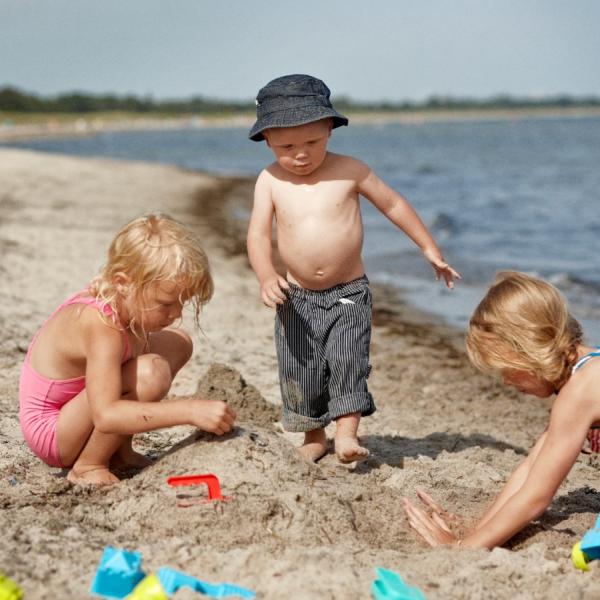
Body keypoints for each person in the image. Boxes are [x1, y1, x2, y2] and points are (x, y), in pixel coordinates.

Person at [246, 74, 459, 463]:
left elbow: (393, 204)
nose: (300, 154)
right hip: (296, 297)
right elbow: (259, 235)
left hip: (348, 293)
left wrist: (429, 248)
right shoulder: (270, 180)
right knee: (301, 366)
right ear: (267, 140)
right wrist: (265, 275)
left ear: (329, 129)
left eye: (311, 142)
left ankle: (346, 433)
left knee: (347, 358)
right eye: (286, 146)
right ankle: (313, 435)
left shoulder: (350, 170)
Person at [19, 213, 236, 486]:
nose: (177, 313)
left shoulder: (123, 303)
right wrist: (189, 410)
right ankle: (88, 465)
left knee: (177, 342)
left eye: (183, 303)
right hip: (53, 432)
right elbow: (106, 414)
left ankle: (119, 453)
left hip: (81, 407)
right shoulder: (100, 324)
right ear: (123, 282)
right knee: (151, 373)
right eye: (166, 303)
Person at [403, 271, 600, 549]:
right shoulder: (585, 371)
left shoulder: (581, 391)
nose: (506, 382)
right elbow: (531, 468)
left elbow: (536, 497)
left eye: (507, 370)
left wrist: (462, 549)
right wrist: (477, 532)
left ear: (531, 349)